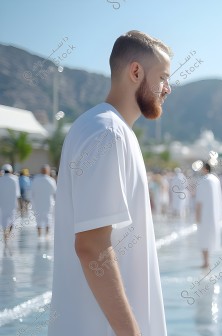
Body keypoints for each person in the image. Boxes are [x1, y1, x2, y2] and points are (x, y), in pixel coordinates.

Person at [48, 30, 171, 336]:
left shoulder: (108, 129)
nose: (167, 88)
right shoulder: (106, 133)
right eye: (163, 78)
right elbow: (91, 246)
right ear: (136, 71)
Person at [195, 162, 222, 269]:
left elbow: (199, 200)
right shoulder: (216, 180)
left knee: (204, 237)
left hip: (204, 213)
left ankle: (206, 261)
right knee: (210, 236)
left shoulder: (204, 181)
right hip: (214, 213)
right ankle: (207, 260)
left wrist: (197, 214)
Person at [31, 164, 57, 238]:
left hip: (37, 203)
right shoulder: (51, 180)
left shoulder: (35, 179)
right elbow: (55, 193)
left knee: (38, 219)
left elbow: (32, 193)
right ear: (48, 171)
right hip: (48, 203)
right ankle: (47, 235)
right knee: (48, 219)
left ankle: (39, 235)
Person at [0, 164, 20, 242]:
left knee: (4, 218)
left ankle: (5, 233)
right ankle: (8, 234)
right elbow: (18, 193)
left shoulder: (1, 179)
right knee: (12, 219)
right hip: (12, 202)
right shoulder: (15, 179)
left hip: (2, 202)